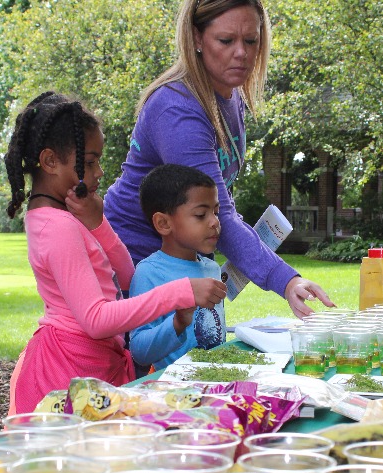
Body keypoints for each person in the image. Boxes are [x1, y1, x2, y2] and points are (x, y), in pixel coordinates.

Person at [104, 0, 336, 323]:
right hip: (137, 264)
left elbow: (216, 203)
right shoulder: (178, 109)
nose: (241, 53)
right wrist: (286, 280)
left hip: (184, 262)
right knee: (145, 368)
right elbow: (220, 217)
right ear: (197, 38)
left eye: (251, 41)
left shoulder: (230, 94)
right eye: (226, 41)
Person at [4, 91, 227, 415]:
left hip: (91, 362)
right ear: (50, 161)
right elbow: (96, 320)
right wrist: (181, 292)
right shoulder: (57, 228)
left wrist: (97, 223)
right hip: (69, 370)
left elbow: (125, 276)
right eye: (90, 162)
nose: (99, 173)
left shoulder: (64, 218)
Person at [130, 164, 225, 371]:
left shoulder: (212, 268)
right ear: (163, 223)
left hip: (215, 383)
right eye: (201, 215)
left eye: (216, 212)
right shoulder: (149, 273)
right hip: (174, 394)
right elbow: (139, 351)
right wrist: (178, 322)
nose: (214, 222)